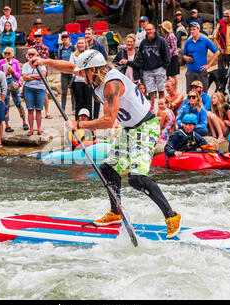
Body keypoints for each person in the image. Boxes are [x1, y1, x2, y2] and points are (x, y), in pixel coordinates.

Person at [33, 49, 182, 238]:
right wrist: (44, 62)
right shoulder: (95, 75)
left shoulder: (111, 85)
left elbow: (109, 121)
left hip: (146, 127)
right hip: (129, 129)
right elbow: (70, 67)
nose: (79, 74)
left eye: (83, 71)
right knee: (108, 168)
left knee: (137, 179)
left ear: (93, 70)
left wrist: (78, 124)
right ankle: (115, 213)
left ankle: (172, 216)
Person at [137, 23, 171, 110]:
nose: (148, 31)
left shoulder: (161, 40)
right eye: (147, 30)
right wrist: (142, 66)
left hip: (159, 68)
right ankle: (152, 109)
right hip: (147, 70)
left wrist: (165, 66)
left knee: (161, 90)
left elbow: (166, 54)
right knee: (150, 91)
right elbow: (140, 55)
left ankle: (162, 108)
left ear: (154, 30)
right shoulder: (143, 42)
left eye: (150, 29)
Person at [0, 47, 28, 132]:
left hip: (14, 83)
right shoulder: (0, 62)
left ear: (12, 54)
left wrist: (13, 72)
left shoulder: (15, 62)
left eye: (8, 53)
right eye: (5, 53)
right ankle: (7, 125)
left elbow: (19, 75)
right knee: (5, 105)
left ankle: (25, 122)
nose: (6, 55)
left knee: (18, 102)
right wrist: (5, 73)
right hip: (4, 85)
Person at [183, 21, 220, 93]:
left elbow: (217, 52)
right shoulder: (188, 42)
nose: (192, 31)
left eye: (194, 29)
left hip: (201, 72)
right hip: (190, 71)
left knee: (203, 93)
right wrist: (187, 58)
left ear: (198, 30)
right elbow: (184, 55)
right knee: (190, 93)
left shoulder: (205, 40)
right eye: (191, 29)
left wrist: (209, 65)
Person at [213, 10, 230, 93]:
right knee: (221, 71)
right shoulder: (220, 25)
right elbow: (215, 37)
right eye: (224, 16)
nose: (225, 18)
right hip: (223, 52)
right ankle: (221, 89)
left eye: (227, 16)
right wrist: (218, 45)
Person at [22, 49, 47, 136]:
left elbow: (43, 75)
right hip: (29, 89)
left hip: (40, 89)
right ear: (27, 55)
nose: (31, 56)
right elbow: (24, 77)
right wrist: (36, 76)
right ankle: (31, 129)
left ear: (37, 55)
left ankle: (39, 129)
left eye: (33, 54)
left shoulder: (41, 64)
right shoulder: (25, 65)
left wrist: (30, 76)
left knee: (39, 110)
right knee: (30, 110)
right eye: (29, 54)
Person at [85, 27, 108, 119]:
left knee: (97, 98)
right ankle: (88, 118)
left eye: (89, 34)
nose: (87, 35)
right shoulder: (83, 46)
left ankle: (96, 118)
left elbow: (105, 59)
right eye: (86, 34)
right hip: (86, 75)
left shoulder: (99, 46)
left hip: (96, 75)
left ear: (93, 35)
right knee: (87, 98)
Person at [28, 30, 52, 119]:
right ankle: (36, 113)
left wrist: (34, 57)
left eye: (39, 36)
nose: (37, 38)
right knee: (32, 91)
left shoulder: (45, 48)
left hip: (42, 71)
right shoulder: (31, 47)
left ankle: (47, 112)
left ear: (41, 37)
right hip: (32, 70)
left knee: (44, 92)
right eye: (35, 36)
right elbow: (28, 58)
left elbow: (43, 59)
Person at [69, 37, 93, 120]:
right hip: (77, 82)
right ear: (77, 45)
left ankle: (90, 126)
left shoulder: (90, 54)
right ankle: (78, 125)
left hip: (88, 82)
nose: (80, 45)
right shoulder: (73, 55)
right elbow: (72, 67)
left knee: (88, 104)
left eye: (82, 43)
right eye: (79, 43)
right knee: (79, 104)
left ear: (85, 44)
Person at [57, 31, 76, 112]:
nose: (65, 39)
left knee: (73, 91)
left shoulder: (73, 48)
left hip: (72, 72)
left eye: (66, 37)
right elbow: (59, 60)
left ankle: (74, 108)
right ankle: (63, 109)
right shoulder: (60, 49)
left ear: (69, 38)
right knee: (64, 91)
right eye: (63, 37)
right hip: (64, 73)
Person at [160, 21, 179, 89]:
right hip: (168, 58)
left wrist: (168, 55)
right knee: (167, 74)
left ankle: (175, 88)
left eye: (162, 28)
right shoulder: (166, 36)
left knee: (173, 75)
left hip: (173, 57)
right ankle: (169, 87)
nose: (161, 29)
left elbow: (174, 48)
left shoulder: (171, 36)